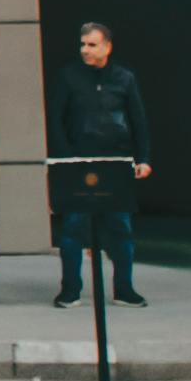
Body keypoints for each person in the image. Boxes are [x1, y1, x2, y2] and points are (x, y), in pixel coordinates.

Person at [49, 18, 149, 309]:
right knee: (73, 228)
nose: (85, 50)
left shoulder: (124, 78)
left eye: (92, 44)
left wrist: (143, 159)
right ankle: (70, 289)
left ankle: (124, 288)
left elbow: (138, 120)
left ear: (107, 47)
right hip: (80, 160)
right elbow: (56, 118)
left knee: (120, 226)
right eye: (83, 44)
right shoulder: (69, 77)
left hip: (116, 161)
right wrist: (67, 157)